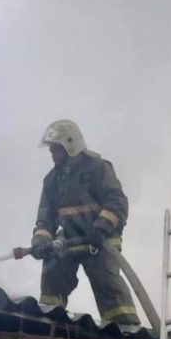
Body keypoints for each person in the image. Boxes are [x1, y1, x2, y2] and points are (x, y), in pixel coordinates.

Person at [31, 120, 141, 326]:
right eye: (51, 149)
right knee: (53, 270)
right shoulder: (52, 180)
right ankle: (48, 320)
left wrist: (100, 228)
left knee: (108, 286)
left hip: (99, 240)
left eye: (56, 148)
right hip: (70, 240)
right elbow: (46, 218)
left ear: (70, 145)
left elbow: (116, 202)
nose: (52, 153)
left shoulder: (98, 168)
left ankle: (127, 331)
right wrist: (39, 241)